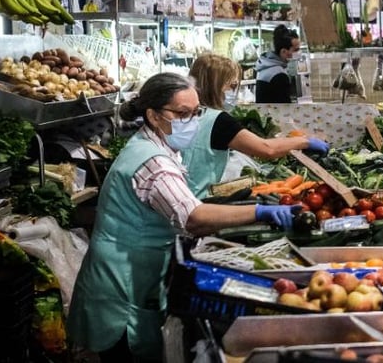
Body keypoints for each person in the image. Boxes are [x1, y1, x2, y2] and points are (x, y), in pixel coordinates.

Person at [68, 73, 302, 361]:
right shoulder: (153, 162)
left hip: (136, 270)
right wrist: (260, 212)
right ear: (153, 116)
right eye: (182, 114)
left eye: (196, 112)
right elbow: (193, 217)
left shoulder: (157, 146)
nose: (192, 121)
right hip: (121, 281)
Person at [182, 53, 329, 197]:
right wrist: (305, 141)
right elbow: (267, 149)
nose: (235, 92)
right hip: (200, 200)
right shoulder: (218, 120)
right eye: (231, 86)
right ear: (215, 86)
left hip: (181, 195)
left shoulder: (184, 115)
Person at [255, 24, 300, 103]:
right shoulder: (279, 75)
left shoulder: (265, 66)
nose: (298, 53)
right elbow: (285, 108)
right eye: (295, 50)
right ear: (283, 51)